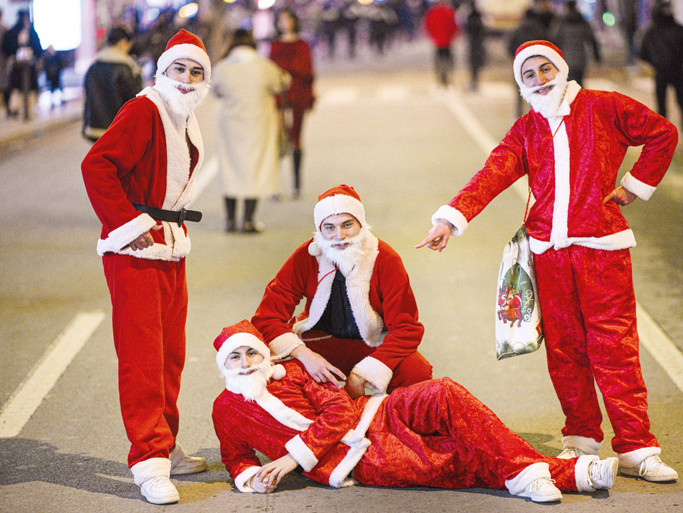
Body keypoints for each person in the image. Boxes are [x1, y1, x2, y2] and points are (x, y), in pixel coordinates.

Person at [417, 40, 679, 483]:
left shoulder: (604, 106)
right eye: (529, 75)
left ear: (561, 67)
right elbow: (493, 174)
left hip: (602, 249)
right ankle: (580, 440)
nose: (540, 80)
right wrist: (450, 219)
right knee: (564, 351)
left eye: (545, 69)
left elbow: (662, 134)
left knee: (614, 349)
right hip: (548, 254)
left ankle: (637, 447)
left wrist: (634, 185)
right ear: (521, 83)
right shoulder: (526, 129)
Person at [211, 320, 620, 502]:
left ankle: (529, 473)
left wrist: (290, 457)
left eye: (252, 352)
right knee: (455, 456)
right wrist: (251, 479)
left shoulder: (294, 371)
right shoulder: (225, 410)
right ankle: (570, 474)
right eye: (236, 357)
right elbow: (236, 457)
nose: (246, 362)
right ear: (224, 367)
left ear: (265, 354)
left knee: (444, 393)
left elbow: (337, 410)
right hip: (357, 458)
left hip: (377, 413)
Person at [81, 29, 211, 505]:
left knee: (169, 354)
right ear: (162, 70)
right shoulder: (144, 108)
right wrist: (127, 222)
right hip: (135, 250)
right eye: (179, 68)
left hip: (170, 247)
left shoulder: (183, 116)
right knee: (142, 360)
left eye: (196, 71)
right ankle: (149, 462)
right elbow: (96, 165)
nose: (187, 78)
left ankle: (165, 445)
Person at [252, 184, 433, 400]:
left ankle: (395, 425)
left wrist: (361, 374)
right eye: (329, 227)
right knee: (277, 376)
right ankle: (311, 428)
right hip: (322, 342)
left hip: (373, 343)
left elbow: (406, 328)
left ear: (361, 224)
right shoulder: (306, 256)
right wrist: (306, 356)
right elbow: (266, 318)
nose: (340, 235)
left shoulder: (385, 258)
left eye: (347, 225)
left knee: (416, 372)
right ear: (320, 230)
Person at [212, 29, 290, 234]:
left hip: (230, 127)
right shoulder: (264, 66)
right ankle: (248, 220)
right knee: (254, 170)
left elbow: (216, 90)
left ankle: (229, 220)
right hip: (258, 127)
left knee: (230, 171)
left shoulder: (222, 67)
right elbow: (281, 83)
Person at [270, 8, 315, 199]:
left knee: (296, 138)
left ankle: (296, 185)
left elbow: (307, 71)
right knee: (278, 140)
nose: (285, 23)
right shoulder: (275, 45)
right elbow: (271, 70)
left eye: (288, 19)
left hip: (297, 96)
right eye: (281, 19)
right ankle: (274, 186)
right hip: (279, 98)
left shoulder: (302, 45)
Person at [639, 0, 683, 149]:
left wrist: (656, 62)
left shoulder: (651, 31)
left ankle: (665, 135)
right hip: (676, 70)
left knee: (664, 104)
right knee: (680, 102)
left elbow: (642, 53)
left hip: (662, 72)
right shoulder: (678, 29)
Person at [82, 26, 143, 141]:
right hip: (119, 130)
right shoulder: (126, 67)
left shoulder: (94, 66)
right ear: (122, 43)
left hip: (95, 130)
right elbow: (135, 100)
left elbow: (88, 99)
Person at [1, 9, 42, 119]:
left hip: (26, 64)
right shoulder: (12, 31)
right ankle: (18, 109)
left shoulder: (25, 31)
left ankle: (26, 110)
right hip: (17, 64)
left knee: (26, 88)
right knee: (17, 87)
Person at [549, 0, 600, 85]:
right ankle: (580, 97)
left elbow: (554, 40)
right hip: (581, 58)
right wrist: (597, 57)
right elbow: (592, 39)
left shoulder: (561, 23)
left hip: (566, 58)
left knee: (568, 84)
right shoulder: (582, 22)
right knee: (579, 82)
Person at [423, 0, 459, 87]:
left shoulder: (432, 13)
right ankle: (446, 76)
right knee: (447, 58)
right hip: (447, 40)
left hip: (437, 41)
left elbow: (428, 26)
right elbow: (454, 26)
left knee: (439, 58)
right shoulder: (449, 12)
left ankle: (441, 76)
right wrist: (452, 36)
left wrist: (432, 36)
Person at [464, 1, 486, 92]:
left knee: (473, 64)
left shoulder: (469, 18)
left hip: (473, 44)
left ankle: (474, 81)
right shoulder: (479, 18)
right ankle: (475, 81)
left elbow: (466, 29)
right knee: (476, 64)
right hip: (478, 44)